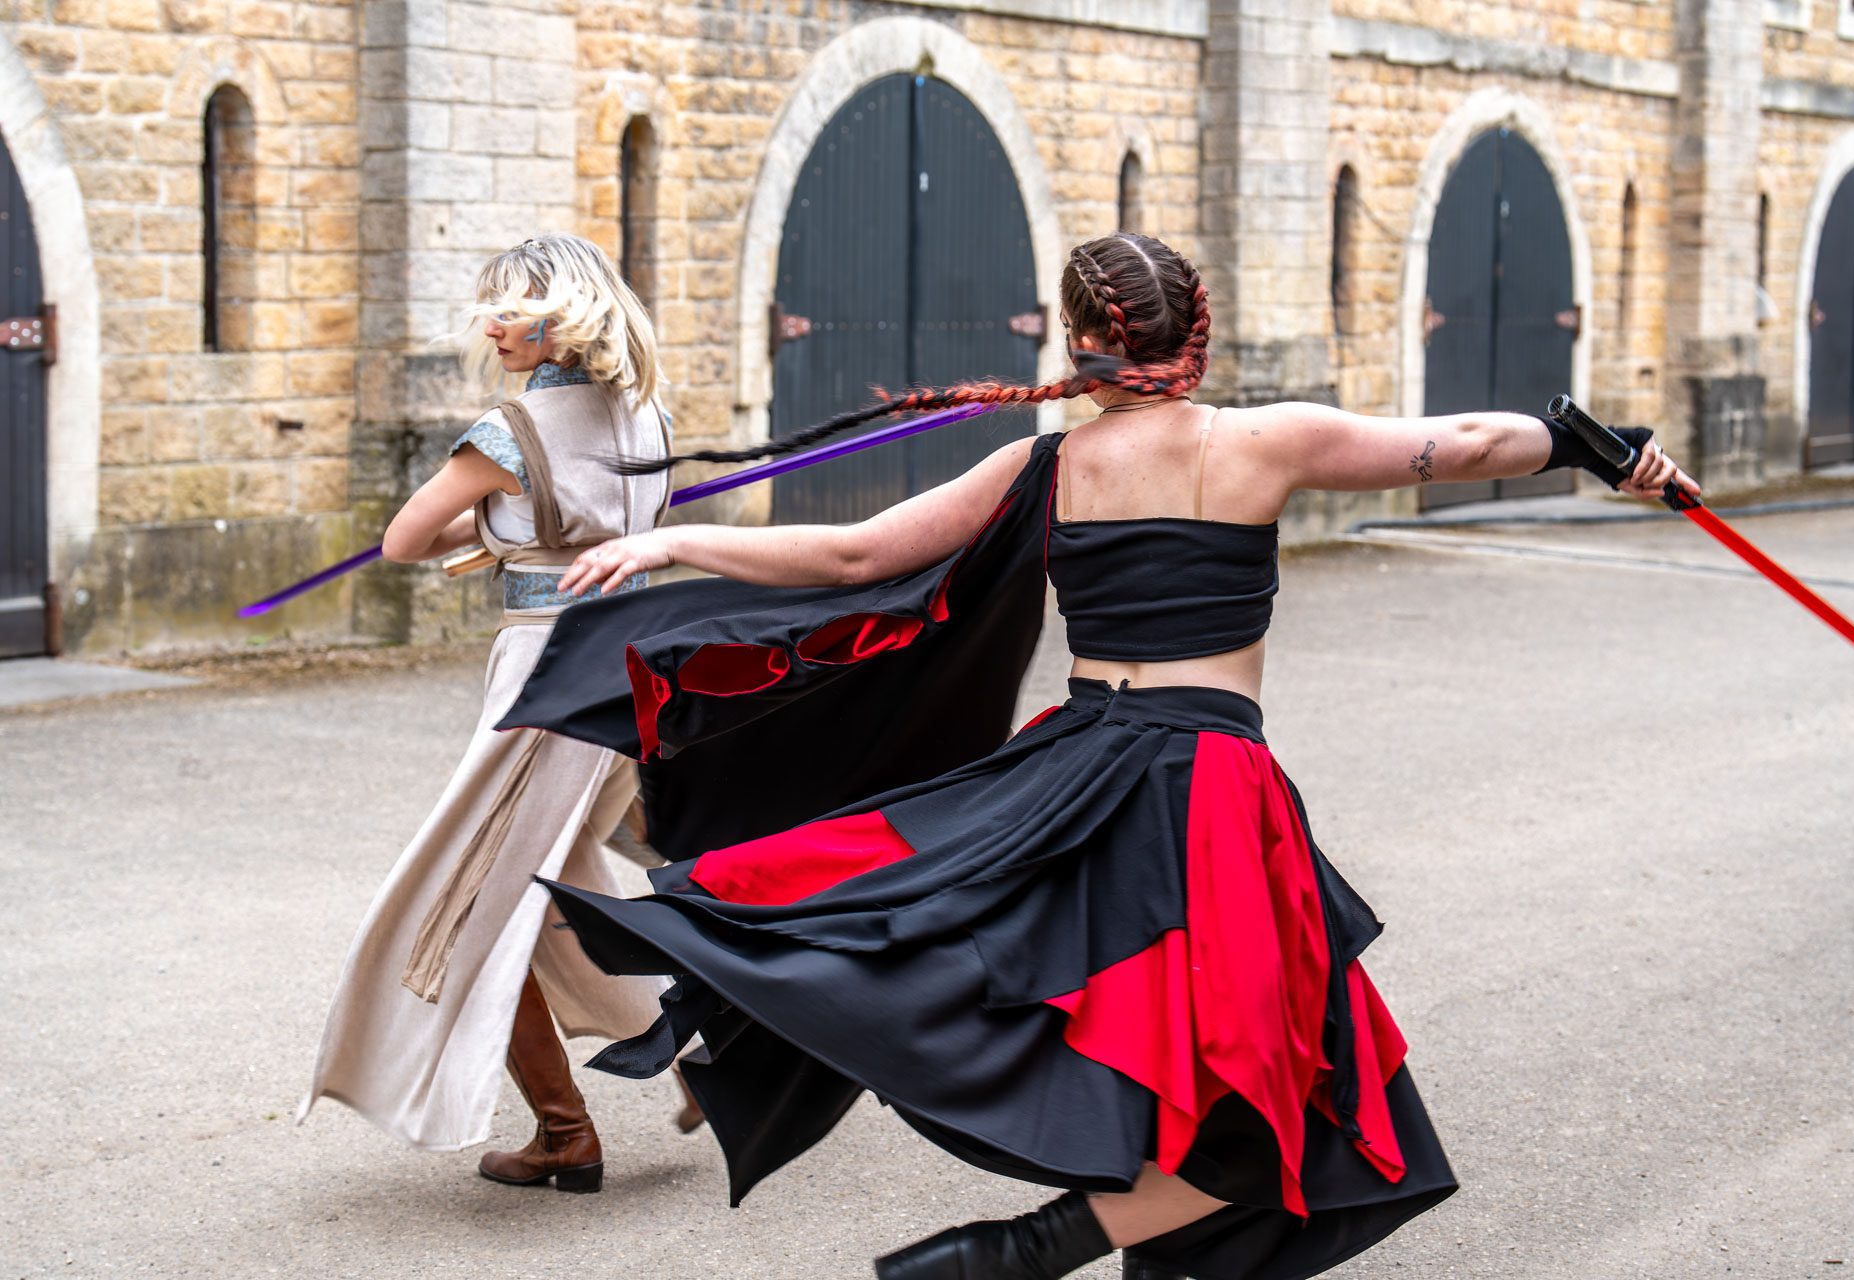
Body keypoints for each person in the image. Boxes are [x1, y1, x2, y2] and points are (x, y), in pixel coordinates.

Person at [510, 232, 1698, 1275]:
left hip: (1077, 769)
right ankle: (1029, 1247)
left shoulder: (1053, 463)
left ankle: (1065, 1235)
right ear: (1195, 329)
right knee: (1287, 1084)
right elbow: (1473, 438)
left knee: (1053, 1001)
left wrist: (677, 546)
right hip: (1206, 785)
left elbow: (858, 555)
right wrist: (1600, 447)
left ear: (1080, 341)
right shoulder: (1267, 438)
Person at [299, 232, 702, 1194]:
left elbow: (404, 540)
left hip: (544, 676)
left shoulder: (507, 433)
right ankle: (695, 1049)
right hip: (631, 666)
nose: (493, 329)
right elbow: (611, 523)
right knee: (551, 881)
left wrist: (486, 515)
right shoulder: (647, 414)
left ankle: (570, 1129)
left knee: (478, 893)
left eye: (511, 312)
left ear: (561, 319)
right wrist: (503, 522)